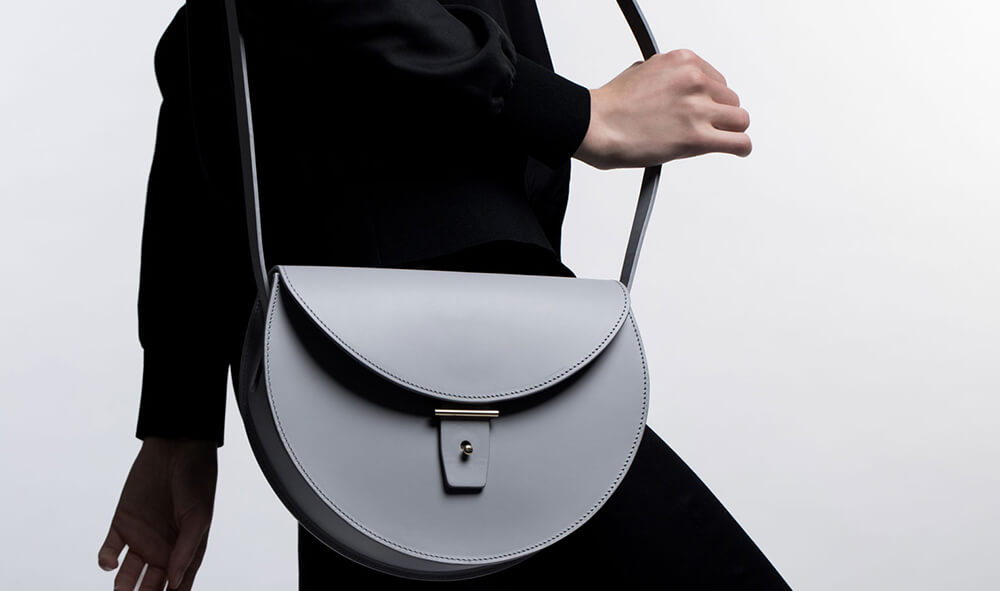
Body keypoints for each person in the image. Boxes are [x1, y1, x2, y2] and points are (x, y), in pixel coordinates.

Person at [97, 1, 785, 589]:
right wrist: (576, 114)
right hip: (439, 339)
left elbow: (216, 45)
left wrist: (179, 414)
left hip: (349, 391)